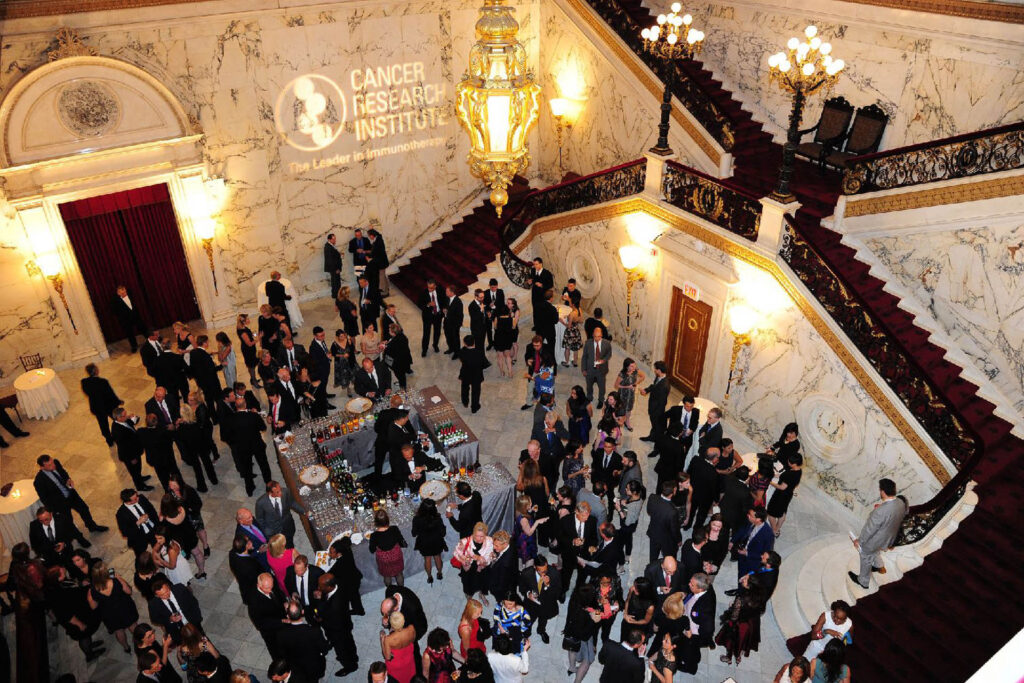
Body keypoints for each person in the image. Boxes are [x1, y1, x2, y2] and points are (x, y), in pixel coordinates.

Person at [849, 478, 908, 589]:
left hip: (876, 539)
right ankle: (879, 566)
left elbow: (869, 530)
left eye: (880, 489)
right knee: (875, 551)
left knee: (866, 555)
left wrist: (859, 541)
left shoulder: (880, 511)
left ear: (882, 492)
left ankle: (863, 581)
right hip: (889, 537)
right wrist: (882, 510)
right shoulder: (900, 502)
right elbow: (897, 515)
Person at [33, 453, 107, 534]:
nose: (53, 465)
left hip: (71, 495)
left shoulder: (55, 462)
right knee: (68, 521)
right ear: (42, 467)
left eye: (52, 462)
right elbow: (45, 499)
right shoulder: (39, 481)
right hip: (60, 504)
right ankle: (79, 538)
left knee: (84, 509)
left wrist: (68, 479)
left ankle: (92, 526)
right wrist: (54, 510)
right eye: (50, 465)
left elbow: (63, 472)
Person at [86, 561, 139, 653]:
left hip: (110, 614)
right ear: (106, 572)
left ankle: (126, 647)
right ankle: (140, 642)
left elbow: (93, 607)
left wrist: (89, 595)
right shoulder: (115, 580)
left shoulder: (93, 590)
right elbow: (128, 591)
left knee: (119, 631)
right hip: (125, 608)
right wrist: (119, 577)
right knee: (133, 626)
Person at [715, 573, 767, 665]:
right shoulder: (761, 595)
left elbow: (734, 617)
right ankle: (738, 656)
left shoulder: (741, 599)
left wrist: (732, 606)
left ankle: (729, 657)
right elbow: (761, 610)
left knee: (732, 640)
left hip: (739, 624)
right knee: (743, 641)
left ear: (749, 586)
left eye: (745, 579)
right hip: (750, 624)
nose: (743, 579)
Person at [317, 573, 360, 676]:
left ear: (329, 587)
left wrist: (320, 603)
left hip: (337, 630)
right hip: (345, 623)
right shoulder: (339, 585)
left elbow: (328, 616)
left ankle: (350, 666)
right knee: (349, 641)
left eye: (321, 586)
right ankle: (354, 657)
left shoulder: (335, 606)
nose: (319, 588)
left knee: (342, 650)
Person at [276, 600, 329, 681]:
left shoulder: (281, 634)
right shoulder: (314, 631)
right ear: (303, 612)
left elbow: (282, 653)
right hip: (314, 666)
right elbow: (324, 649)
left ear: (288, 616)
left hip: (296, 668)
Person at [176, 393, 218, 492]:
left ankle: (202, 486)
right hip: (201, 444)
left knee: (197, 468)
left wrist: (180, 424)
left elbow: (181, 440)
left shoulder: (182, 428)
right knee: (207, 462)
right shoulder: (196, 425)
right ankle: (214, 479)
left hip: (191, 448)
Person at [677, 573, 716, 675]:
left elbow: (708, 629)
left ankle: (690, 668)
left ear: (700, 589)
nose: (689, 584)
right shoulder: (706, 587)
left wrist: (694, 636)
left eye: (692, 584)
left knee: (690, 650)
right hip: (688, 621)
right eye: (690, 582)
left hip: (693, 634)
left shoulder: (705, 608)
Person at [166, 474, 211, 563]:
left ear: (180, 483)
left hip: (193, 516)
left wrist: (189, 509)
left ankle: (205, 546)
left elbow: (198, 503)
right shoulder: (170, 492)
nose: (172, 488)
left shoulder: (188, 490)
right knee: (187, 535)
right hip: (182, 521)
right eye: (171, 485)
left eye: (174, 485)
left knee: (200, 530)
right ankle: (190, 549)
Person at [516, 554, 560, 644]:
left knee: (543, 620)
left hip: (546, 604)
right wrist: (528, 594)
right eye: (540, 571)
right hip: (531, 605)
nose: (543, 573)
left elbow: (557, 593)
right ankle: (526, 634)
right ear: (534, 567)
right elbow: (522, 588)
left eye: (545, 570)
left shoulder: (554, 574)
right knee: (528, 621)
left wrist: (548, 585)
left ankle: (541, 631)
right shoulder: (526, 573)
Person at [112, 407, 156, 491]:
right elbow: (124, 448)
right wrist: (132, 458)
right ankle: (140, 486)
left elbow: (133, 422)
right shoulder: (117, 432)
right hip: (130, 456)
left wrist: (131, 417)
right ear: (118, 418)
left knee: (138, 468)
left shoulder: (123, 421)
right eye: (125, 415)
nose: (127, 416)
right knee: (134, 472)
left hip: (135, 450)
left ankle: (140, 477)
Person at [80, 363, 123, 445]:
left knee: (103, 425)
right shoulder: (103, 382)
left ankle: (109, 440)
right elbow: (111, 394)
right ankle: (120, 434)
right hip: (108, 406)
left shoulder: (84, 382)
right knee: (117, 420)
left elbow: (87, 393)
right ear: (96, 371)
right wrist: (118, 401)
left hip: (97, 408)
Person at [255, 480, 306, 548]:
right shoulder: (261, 503)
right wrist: (267, 530)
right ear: (270, 493)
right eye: (277, 492)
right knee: (279, 546)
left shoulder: (286, 491)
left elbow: (292, 502)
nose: (281, 493)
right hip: (273, 530)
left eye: (280, 489)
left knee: (289, 541)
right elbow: (260, 519)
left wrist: (304, 511)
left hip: (287, 524)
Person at [248, 573, 287, 660]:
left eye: (271, 586)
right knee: (277, 651)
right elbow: (260, 624)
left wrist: (284, 602)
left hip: (281, 617)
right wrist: (281, 621)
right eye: (267, 588)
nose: (270, 590)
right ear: (259, 585)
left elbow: (279, 592)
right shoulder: (254, 603)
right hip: (271, 630)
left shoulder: (271, 582)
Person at [454, 522, 494, 604]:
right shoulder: (465, 542)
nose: (479, 539)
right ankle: (469, 597)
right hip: (470, 568)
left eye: (482, 536)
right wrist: (465, 559)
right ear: (473, 533)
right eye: (477, 536)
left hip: (483, 567)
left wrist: (481, 559)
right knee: (469, 584)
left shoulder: (489, 541)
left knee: (484, 582)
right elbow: (456, 553)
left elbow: (489, 556)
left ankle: (482, 594)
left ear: (486, 534)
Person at [412, 498, 448, 584]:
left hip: (424, 542)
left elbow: (414, 533)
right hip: (436, 541)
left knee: (427, 559)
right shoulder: (437, 518)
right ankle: (439, 573)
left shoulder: (416, 519)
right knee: (437, 557)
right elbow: (443, 533)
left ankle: (429, 577)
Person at [767, 452, 804, 537]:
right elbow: (787, 478)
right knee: (782, 512)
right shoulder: (798, 470)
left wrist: (770, 482)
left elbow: (782, 487)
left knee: (771, 514)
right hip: (788, 495)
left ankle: (774, 530)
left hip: (781, 495)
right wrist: (776, 475)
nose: (788, 462)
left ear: (794, 464)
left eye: (789, 461)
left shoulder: (790, 474)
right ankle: (777, 529)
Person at [370, 509, 408, 587]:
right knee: (399, 574)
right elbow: (401, 541)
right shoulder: (394, 529)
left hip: (384, 559)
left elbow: (372, 549)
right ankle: (402, 590)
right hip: (396, 555)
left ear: (375, 522)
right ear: (388, 520)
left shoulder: (374, 535)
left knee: (386, 575)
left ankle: (390, 590)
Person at [645, 480, 681, 562]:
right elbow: (674, 529)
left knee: (653, 556)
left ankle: (652, 569)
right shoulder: (673, 511)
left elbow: (649, 511)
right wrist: (678, 540)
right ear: (672, 493)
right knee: (669, 555)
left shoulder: (652, 497)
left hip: (653, 532)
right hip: (665, 539)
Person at [685, 447, 720, 530]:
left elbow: (688, 473)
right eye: (718, 457)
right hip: (705, 498)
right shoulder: (714, 474)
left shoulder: (695, 459)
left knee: (691, 510)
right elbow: (713, 490)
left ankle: (687, 525)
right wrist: (716, 499)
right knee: (702, 514)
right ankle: (697, 529)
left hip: (693, 492)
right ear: (714, 459)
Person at [382, 611, 417, 683]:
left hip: (396, 664)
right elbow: (413, 640)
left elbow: (387, 657)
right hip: (408, 658)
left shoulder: (388, 639)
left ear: (391, 624)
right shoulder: (411, 628)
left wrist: (382, 639)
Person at [512, 495, 546, 567]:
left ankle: (520, 568)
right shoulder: (523, 519)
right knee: (530, 559)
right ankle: (527, 573)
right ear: (525, 506)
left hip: (519, 538)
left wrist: (530, 510)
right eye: (530, 503)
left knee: (520, 557)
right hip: (526, 541)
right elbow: (529, 533)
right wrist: (537, 522)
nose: (531, 503)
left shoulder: (518, 511)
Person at [581, 327, 611, 406]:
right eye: (595, 336)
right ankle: (589, 397)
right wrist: (583, 369)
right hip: (590, 368)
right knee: (589, 385)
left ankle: (601, 399)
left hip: (601, 369)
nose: (597, 338)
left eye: (599, 336)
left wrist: (604, 360)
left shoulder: (607, 343)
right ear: (592, 335)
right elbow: (584, 356)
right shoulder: (588, 343)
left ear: (601, 335)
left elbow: (609, 354)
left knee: (602, 386)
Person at [612, 358, 645, 432]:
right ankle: (618, 420)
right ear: (627, 367)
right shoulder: (622, 374)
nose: (634, 368)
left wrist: (636, 383)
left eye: (634, 366)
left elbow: (643, 376)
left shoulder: (635, 370)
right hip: (623, 394)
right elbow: (616, 385)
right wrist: (627, 386)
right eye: (632, 366)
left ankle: (627, 422)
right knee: (620, 408)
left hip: (631, 395)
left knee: (629, 409)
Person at [615, 479, 644, 560]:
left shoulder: (633, 507)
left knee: (620, 543)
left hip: (627, 527)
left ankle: (625, 558)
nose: (625, 489)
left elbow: (627, 523)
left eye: (627, 489)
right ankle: (628, 555)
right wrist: (626, 502)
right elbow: (631, 503)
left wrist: (619, 509)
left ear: (634, 492)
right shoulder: (638, 496)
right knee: (629, 539)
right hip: (633, 523)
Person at [620, 576, 655, 641]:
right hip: (628, 617)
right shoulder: (632, 589)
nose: (633, 588)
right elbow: (627, 600)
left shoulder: (650, 606)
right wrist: (625, 613)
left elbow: (646, 621)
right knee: (624, 639)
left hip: (639, 624)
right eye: (634, 585)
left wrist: (633, 622)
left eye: (636, 588)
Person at [488, 530, 519, 603]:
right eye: (494, 544)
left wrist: (494, 589)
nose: (494, 547)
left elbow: (501, 582)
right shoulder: (511, 541)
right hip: (513, 574)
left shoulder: (505, 563)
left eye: (496, 546)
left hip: (502, 585)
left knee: (500, 596)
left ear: (505, 544)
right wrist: (496, 555)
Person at [418, 279, 445, 356]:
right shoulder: (423, 292)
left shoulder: (440, 290)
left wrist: (444, 308)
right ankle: (424, 349)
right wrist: (428, 304)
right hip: (427, 316)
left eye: (432, 288)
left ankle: (435, 345)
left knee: (437, 332)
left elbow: (444, 299)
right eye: (428, 287)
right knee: (426, 333)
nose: (430, 289)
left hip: (438, 315)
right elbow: (419, 304)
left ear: (435, 286)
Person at [459, 334, 485, 414]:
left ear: (465, 344)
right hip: (476, 375)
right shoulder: (479, 352)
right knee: (476, 391)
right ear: (474, 343)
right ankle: (474, 407)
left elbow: (462, 355)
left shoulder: (462, 352)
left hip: (465, 374)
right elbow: (482, 363)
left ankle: (465, 401)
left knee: (464, 388)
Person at [519, 336, 545, 411]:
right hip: (533, 371)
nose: (536, 347)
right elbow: (526, 355)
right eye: (534, 345)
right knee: (530, 387)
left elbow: (551, 359)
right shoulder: (529, 347)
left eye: (538, 345)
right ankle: (529, 403)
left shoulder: (546, 348)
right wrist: (528, 360)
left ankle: (543, 404)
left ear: (541, 344)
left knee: (542, 388)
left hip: (542, 372)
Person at [385, 323, 414, 390]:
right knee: (403, 374)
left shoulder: (394, 343)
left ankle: (403, 387)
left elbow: (390, 353)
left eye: (389, 331)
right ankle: (403, 381)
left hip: (398, 364)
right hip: (405, 359)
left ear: (393, 333)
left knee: (400, 376)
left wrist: (385, 347)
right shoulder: (403, 336)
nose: (388, 331)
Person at [332, 329, 358, 396]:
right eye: (341, 336)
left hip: (351, 361)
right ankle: (348, 389)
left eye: (343, 336)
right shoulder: (334, 344)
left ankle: (357, 387)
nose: (343, 338)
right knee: (345, 377)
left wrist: (351, 345)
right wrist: (342, 355)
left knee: (354, 374)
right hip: (342, 364)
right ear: (337, 337)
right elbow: (333, 354)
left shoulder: (348, 341)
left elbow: (353, 349)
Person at [493, 304, 515, 378]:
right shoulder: (510, 319)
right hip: (507, 338)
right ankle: (510, 372)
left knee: (500, 356)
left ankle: (502, 372)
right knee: (508, 356)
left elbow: (495, 327)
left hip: (499, 338)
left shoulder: (497, 319)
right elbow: (513, 327)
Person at [560, 301, 583, 367]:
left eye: (570, 302)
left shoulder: (572, 313)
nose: (569, 303)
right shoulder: (579, 310)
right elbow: (581, 321)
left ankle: (567, 363)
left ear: (573, 304)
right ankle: (575, 362)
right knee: (575, 348)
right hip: (576, 331)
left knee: (567, 348)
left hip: (570, 333)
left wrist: (562, 322)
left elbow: (569, 326)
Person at [324, 232, 344, 298]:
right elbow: (330, 260)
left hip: (334, 268)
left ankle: (337, 294)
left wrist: (339, 255)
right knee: (336, 282)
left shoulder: (330, 245)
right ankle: (337, 295)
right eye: (333, 239)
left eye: (335, 239)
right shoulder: (328, 247)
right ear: (329, 240)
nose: (335, 240)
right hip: (334, 268)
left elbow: (334, 256)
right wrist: (336, 269)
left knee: (336, 282)